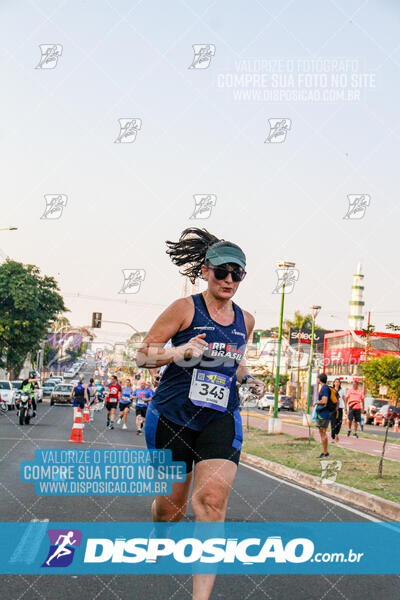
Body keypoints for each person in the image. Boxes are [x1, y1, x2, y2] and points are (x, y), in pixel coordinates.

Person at [136, 227, 265, 600]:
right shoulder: (184, 309)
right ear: (206, 271)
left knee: (210, 503)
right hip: (173, 417)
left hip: (219, 417)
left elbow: (234, 365)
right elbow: (143, 355)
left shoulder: (246, 320)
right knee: (172, 509)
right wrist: (178, 353)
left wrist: (250, 378)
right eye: (222, 271)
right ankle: (159, 533)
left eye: (236, 273)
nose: (228, 280)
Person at [314, 373, 331, 458]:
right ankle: (324, 451)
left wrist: (317, 402)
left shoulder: (324, 388)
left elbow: (325, 401)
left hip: (323, 414)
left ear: (320, 379)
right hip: (323, 413)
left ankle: (325, 452)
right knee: (321, 432)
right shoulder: (324, 388)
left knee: (323, 432)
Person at [330, 378, 345, 443]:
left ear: (340, 383)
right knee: (333, 423)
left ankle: (337, 434)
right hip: (333, 408)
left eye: (338, 382)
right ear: (334, 383)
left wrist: (346, 407)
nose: (337, 383)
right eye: (336, 382)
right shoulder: (331, 390)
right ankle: (333, 437)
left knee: (339, 422)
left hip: (340, 408)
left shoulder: (342, 391)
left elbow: (344, 399)